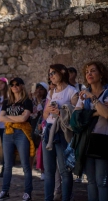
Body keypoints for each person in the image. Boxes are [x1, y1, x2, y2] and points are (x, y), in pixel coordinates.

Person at [42, 64, 78, 201]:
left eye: (53, 73)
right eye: (49, 74)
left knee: (65, 171)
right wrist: (50, 110)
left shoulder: (71, 91)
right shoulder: (51, 92)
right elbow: (45, 115)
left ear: (62, 73)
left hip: (63, 132)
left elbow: (76, 114)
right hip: (49, 131)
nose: (50, 76)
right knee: (49, 171)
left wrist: (61, 111)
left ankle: (66, 198)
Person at [73, 61, 108, 201]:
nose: (89, 74)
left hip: (103, 140)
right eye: (87, 72)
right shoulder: (83, 95)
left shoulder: (106, 92)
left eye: (93, 71)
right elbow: (76, 119)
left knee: (102, 181)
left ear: (101, 74)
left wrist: (92, 98)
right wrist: (95, 112)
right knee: (91, 181)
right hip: (86, 140)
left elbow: (106, 114)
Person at [0, 77, 34, 201]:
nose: (14, 86)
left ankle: (27, 193)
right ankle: (4, 191)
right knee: (7, 165)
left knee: (25, 165)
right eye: (12, 84)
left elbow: (24, 119)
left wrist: (9, 117)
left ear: (22, 86)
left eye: (17, 84)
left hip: (22, 133)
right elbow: (0, 118)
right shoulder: (7, 101)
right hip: (8, 133)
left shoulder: (27, 101)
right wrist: (16, 118)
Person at [29, 82, 48, 180]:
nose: (39, 91)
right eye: (37, 88)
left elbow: (42, 112)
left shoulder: (46, 101)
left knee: (41, 151)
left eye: (41, 89)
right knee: (31, 150)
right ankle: (28, 171)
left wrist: (39, 101)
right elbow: (31, 113)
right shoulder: (32, 101)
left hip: (41, 127)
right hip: (32, 126)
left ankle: (42, 171)